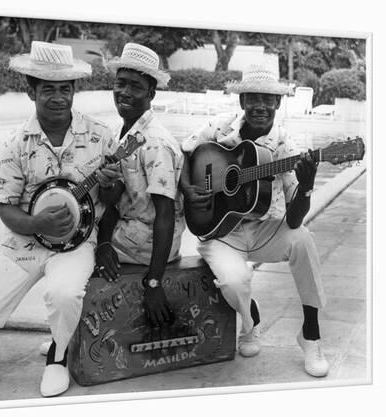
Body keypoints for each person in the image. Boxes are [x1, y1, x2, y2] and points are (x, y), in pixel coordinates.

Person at [0, 41, 121, 397]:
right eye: (47, 89)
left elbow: (110, 200)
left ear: (74, 90)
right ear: (30, 90)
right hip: (23, 241)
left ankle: (58, 355)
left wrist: (109, 185)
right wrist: (36, 224)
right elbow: (5, 207)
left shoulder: (101, 136)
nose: (58, 97)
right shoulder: (16, 143)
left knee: (64, 294)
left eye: (65, 89)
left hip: (76, 242)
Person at [180, 62, 329, 377]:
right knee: (233, 280)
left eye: (267, 99)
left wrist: (306, 186)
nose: (260, 105)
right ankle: (251, 324)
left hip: (264, 229)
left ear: (277, 103)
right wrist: (190, 191)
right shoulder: (219, 128)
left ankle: (311, 334)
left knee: (303, 239)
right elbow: (185, 151)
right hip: (220, 230)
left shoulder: (285, 146)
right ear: (242, 101)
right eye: (253, 98)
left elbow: (293, 221)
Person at [95, 43, 185, 327]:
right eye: (120, 84)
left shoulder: (154, 142)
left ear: (151, 93)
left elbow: (166, 213)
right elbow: (115, 200)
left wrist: (155, 282)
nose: (125, 92)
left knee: (68, 251)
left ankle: (71, 338)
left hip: (148, 242)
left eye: (135, 86)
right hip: (130, 232)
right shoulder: (124, 133)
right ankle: (73, 333)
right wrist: (104, 241)